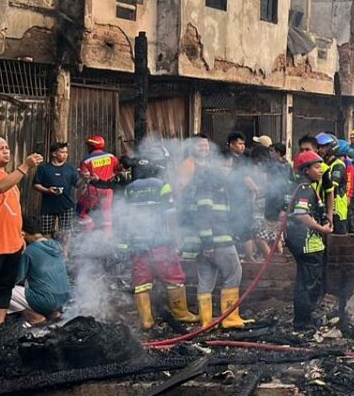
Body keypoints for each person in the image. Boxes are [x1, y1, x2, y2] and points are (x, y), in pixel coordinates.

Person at [121, 157, 199, 329]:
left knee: (141, 282)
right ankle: (181, 313)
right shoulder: (161, 185)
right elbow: (169, 215)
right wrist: (176, 239)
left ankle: (146, 320)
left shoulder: (129, 189)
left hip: (138, 243)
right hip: (160, 241)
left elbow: (125, 217)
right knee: (174, 278)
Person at [181, 136, 249, 329]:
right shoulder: (210, 186)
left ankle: (206, 322)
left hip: (205, 243)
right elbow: (203, 215)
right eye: (224, 168)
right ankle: (230, 318)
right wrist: (209, 242)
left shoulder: (210, 184)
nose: (227, 171)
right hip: (218, 241)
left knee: (206, 279)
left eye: (229, 168)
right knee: (234, 273)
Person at [0, 137, 41, 325]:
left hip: (12, 245)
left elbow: (14, 210)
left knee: (5, 289)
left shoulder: (11, 178)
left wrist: (20, 235)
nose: (6, 151)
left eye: (7, 148)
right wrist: (25, 167)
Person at [284, 150, 332, 331]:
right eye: (317, 167)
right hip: (305, 242)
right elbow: (301, 215)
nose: (321, 170)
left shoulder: (302, 186)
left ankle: (304, 318)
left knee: (307, 280)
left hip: (303, 240)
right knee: (308, 282)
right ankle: (303, 322)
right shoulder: (304, 189)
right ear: (306, 170)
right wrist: (321, 229)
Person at [9, 217, 70, 325]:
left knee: (3, 291)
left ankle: (35, 316)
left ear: (23, 234)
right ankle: (53, 313)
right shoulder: (57, 246)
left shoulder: (30, 251)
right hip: (63, 299)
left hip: (46, 301)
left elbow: (17, 279)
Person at [32, 142, 78, 248]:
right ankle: (48, 252)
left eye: (66, 152)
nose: (65, 154)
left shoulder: (70, 168)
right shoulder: (44, 168)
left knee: (66, 233)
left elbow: (77, 184)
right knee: (46, 232)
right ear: (53, 153)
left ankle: (65, 255)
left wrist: (85, 179)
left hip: (66, 205)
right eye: (62, 152)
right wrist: (48, 190)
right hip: (48, 206)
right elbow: (36, 185)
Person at [79, 135, 121, 234]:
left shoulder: (86, 160)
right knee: (106, 213)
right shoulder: (111, 157)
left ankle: (88, 233)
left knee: (83, 212)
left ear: (92, 146)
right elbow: (118, 169)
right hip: (108, 190)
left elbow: (85, 176)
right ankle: (107, 236)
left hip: (94, 189)